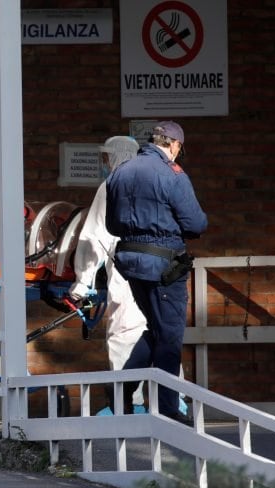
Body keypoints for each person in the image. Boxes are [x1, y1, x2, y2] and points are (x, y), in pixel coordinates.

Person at [105, 121, 207, 424]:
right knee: (171, 336)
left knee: (157, 329)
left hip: (132, 265)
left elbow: (113, 225)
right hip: (164, 266)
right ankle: (167, 408)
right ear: (174, 145)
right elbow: (195, 224)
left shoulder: (120, 172)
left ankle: (120, 393)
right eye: (179, 149)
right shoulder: (172, 175)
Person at [68, 136, 149, 415]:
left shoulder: (112, 186)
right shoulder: (154, 182)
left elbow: (95, 238)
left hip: (127, 270)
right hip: (162, 271)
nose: (104, 164)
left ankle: (125, 406)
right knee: (158, 334)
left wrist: (82, 281)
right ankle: (170, 401)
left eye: (106, 158)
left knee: (123, 334)